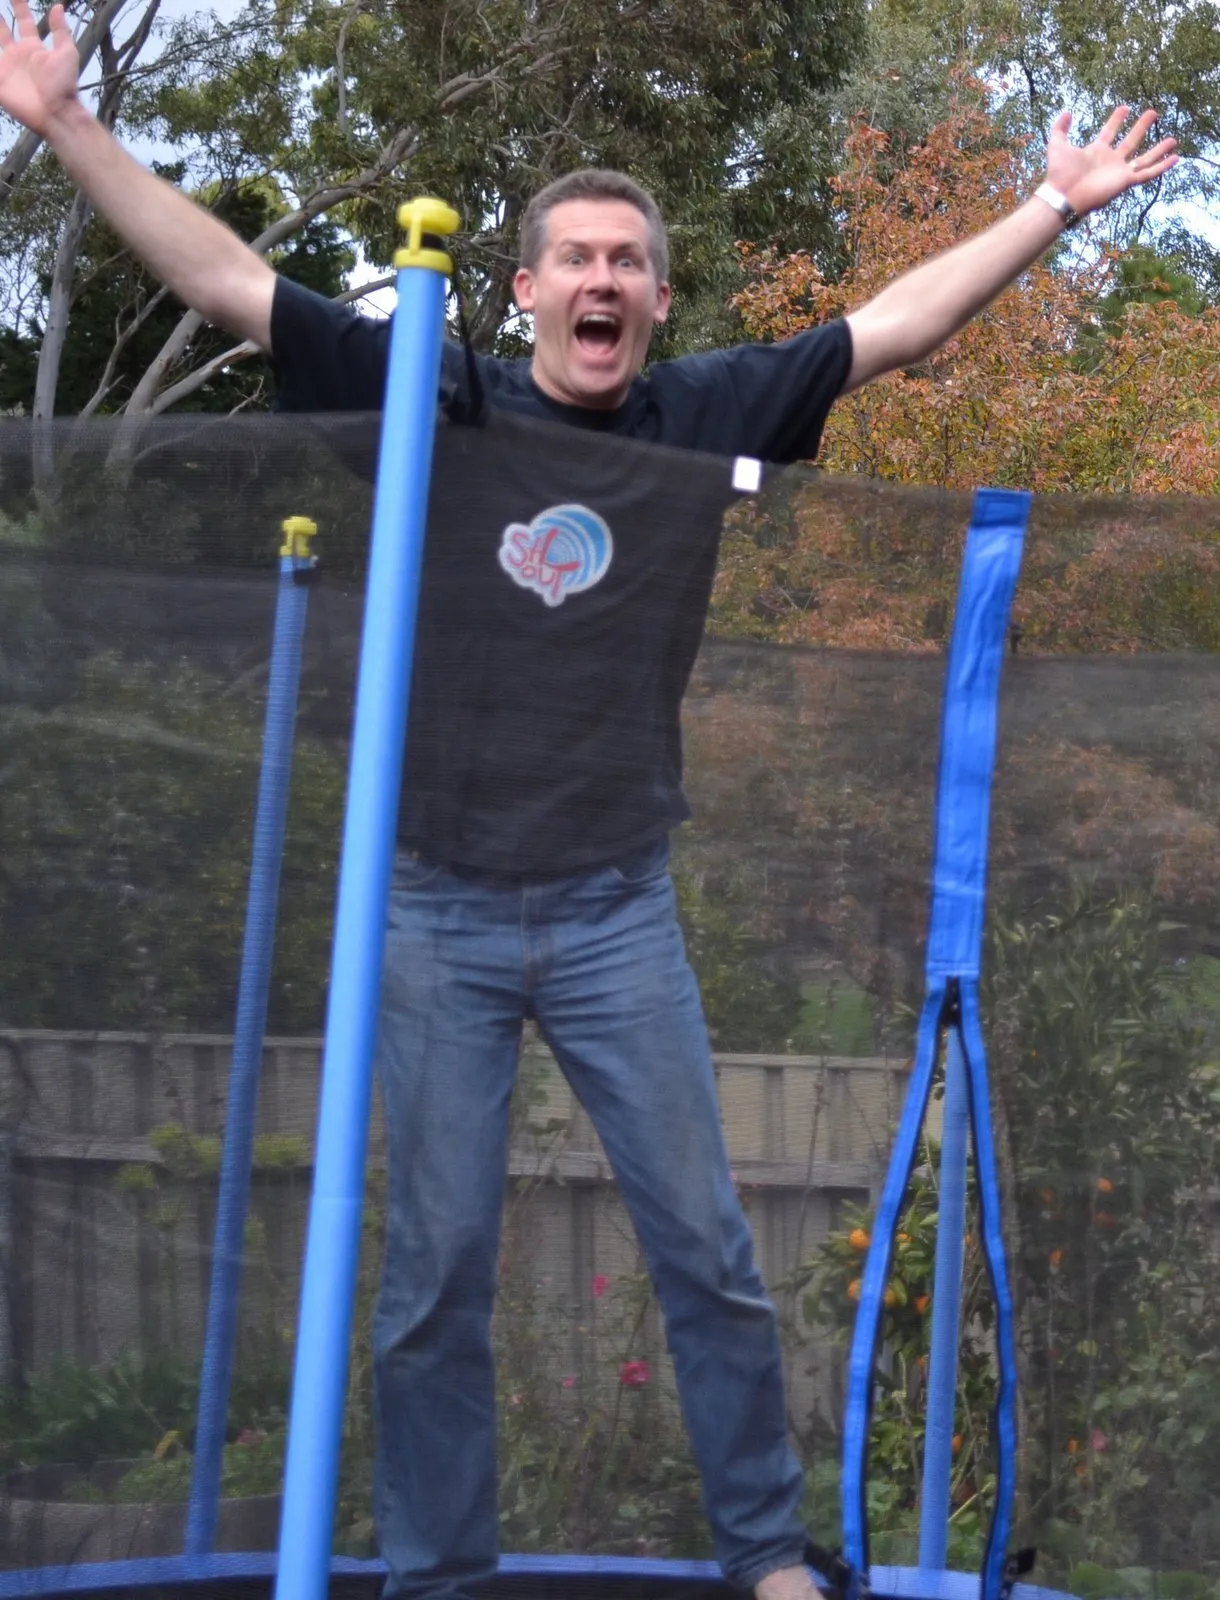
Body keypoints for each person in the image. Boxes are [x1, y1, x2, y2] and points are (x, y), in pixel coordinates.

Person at [0, 4, 1177, 1597]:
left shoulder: (701, 417)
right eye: (579, 258)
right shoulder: (440, 390)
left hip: (620, 908)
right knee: (433, 1278)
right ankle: (436, 1570)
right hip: (434, 909)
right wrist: (64, 122)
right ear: (527, 288)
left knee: (704, 1253)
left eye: (630, 261)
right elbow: (223, 281)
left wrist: (1049, 208)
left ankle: (765, 1550)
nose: (604, 282)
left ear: (658, 296)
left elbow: (895, 327)